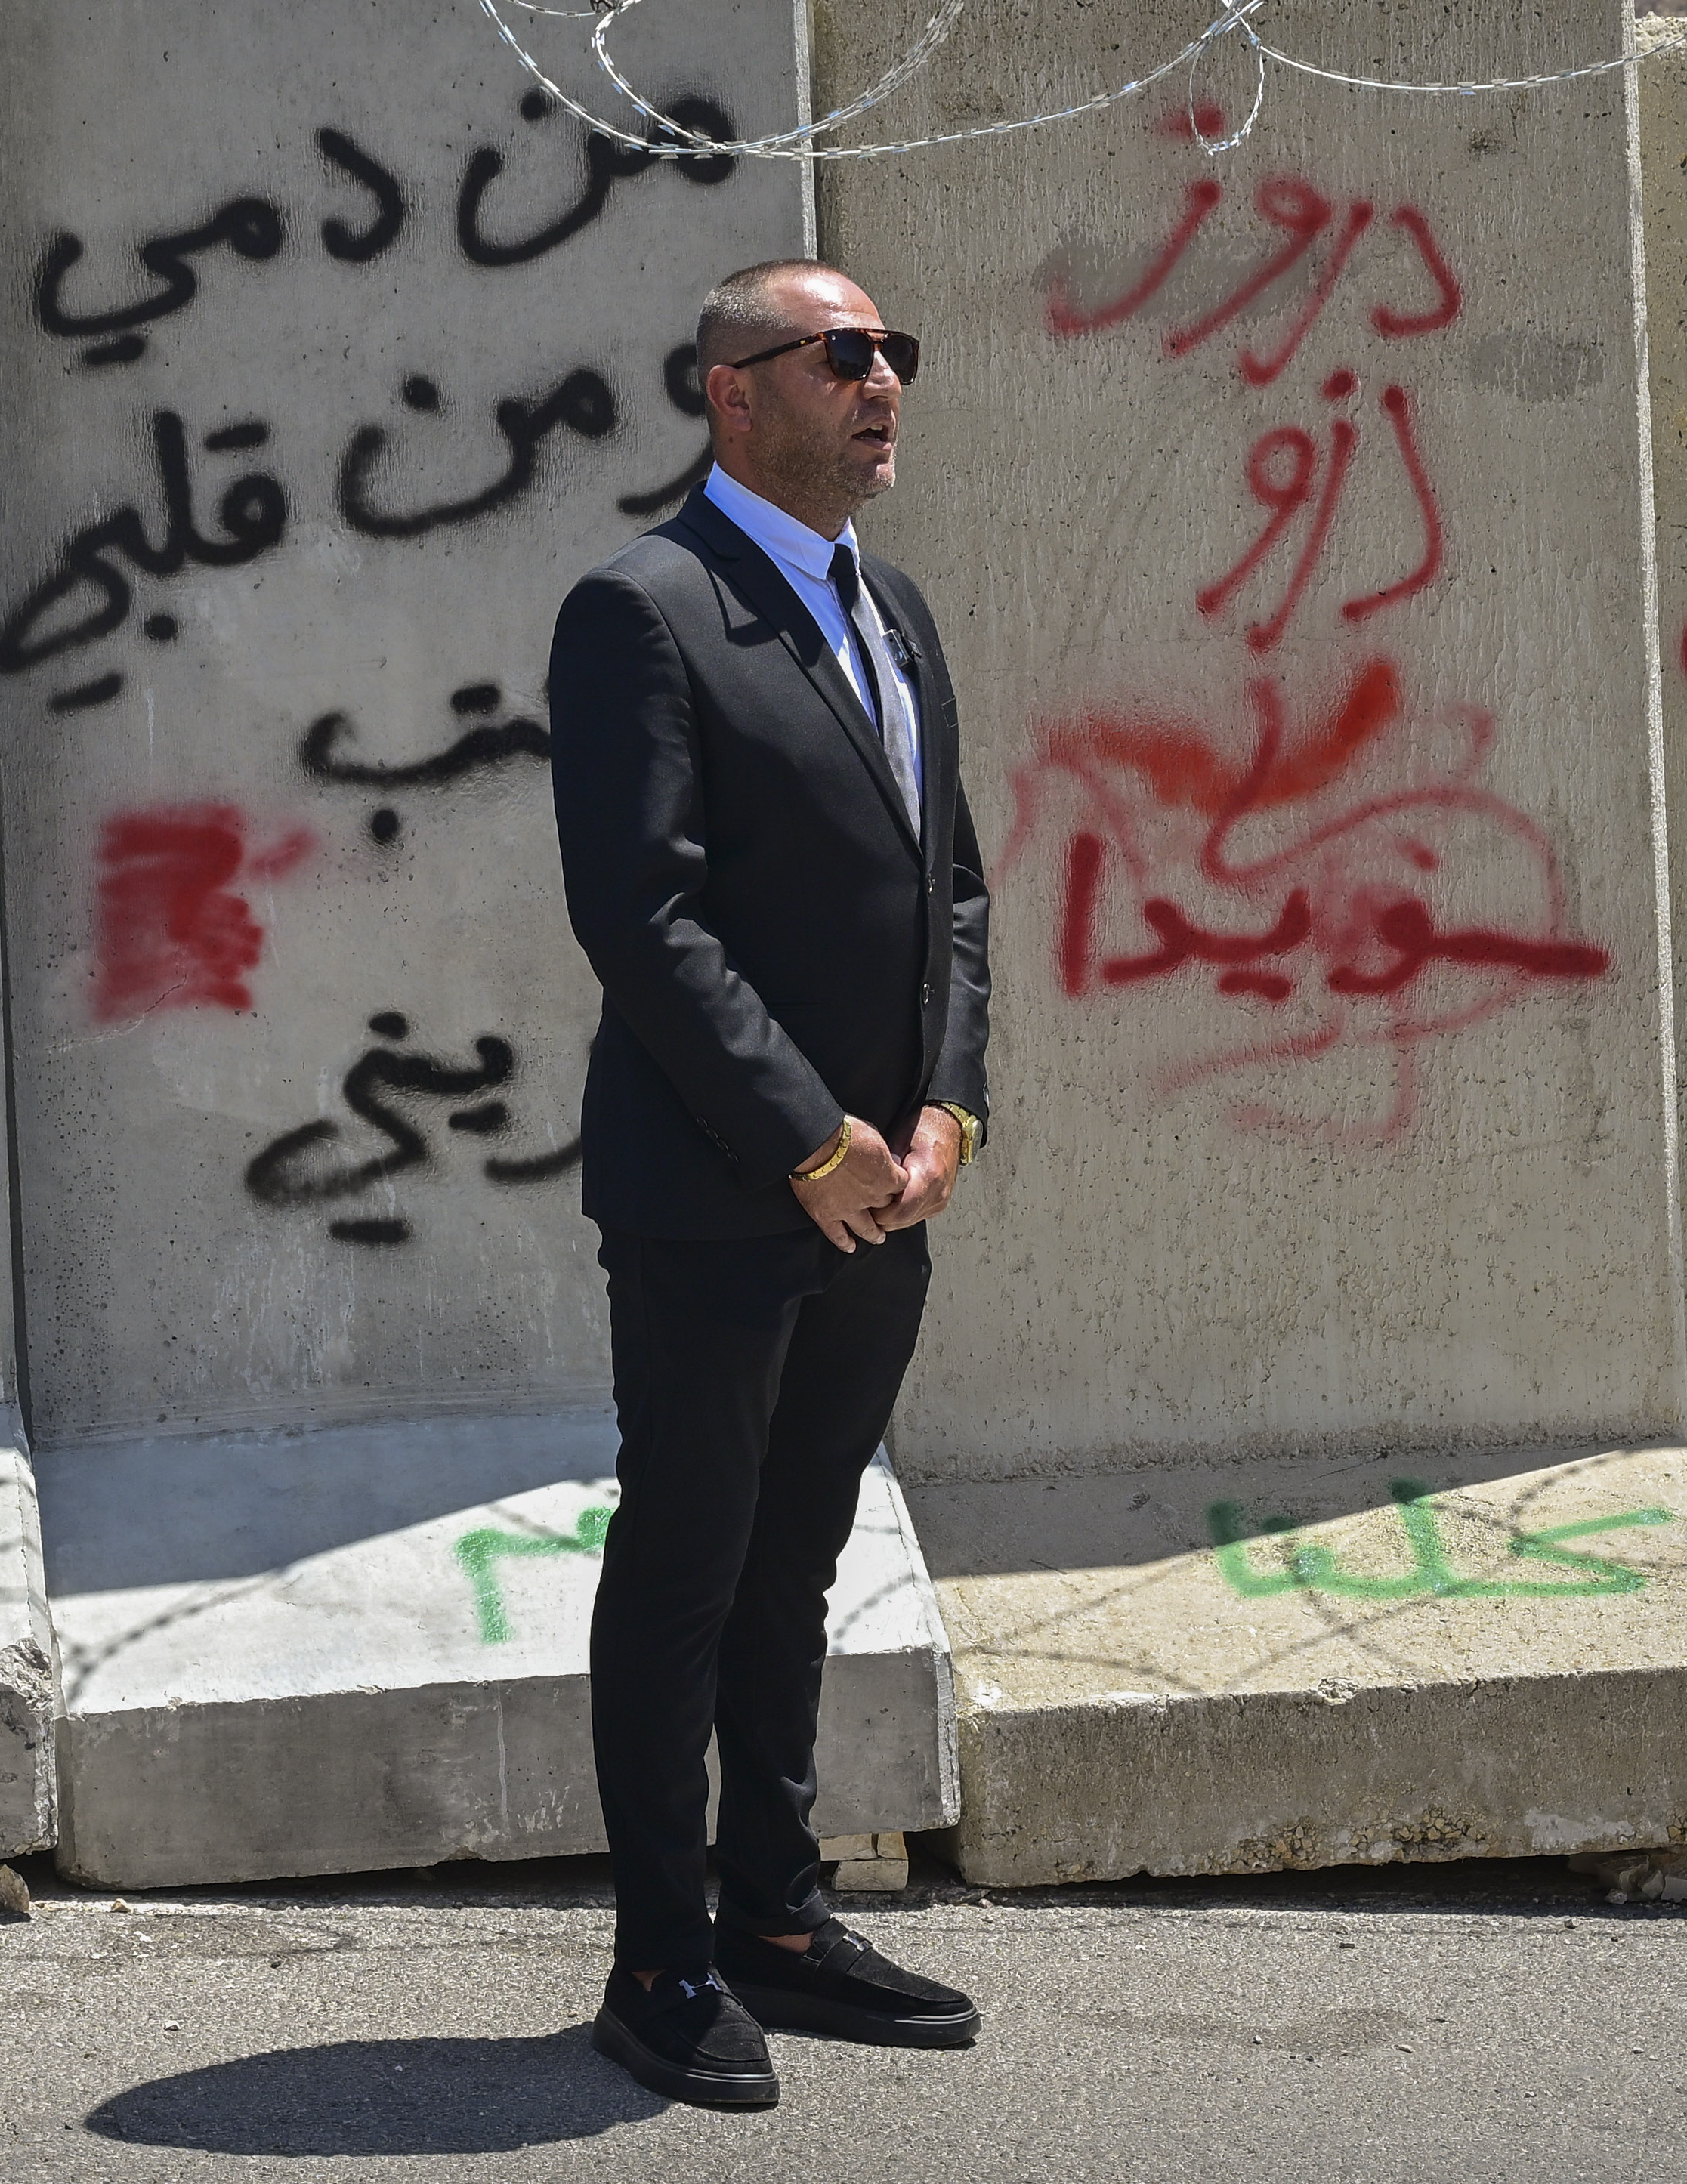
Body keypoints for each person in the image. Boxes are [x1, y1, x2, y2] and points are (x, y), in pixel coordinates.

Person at [545, 255, 990, 2111]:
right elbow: (640, 917)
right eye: (843, 356)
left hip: (886, 1191)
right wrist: (807, 1138)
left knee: (798, 1555)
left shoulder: (890, 607)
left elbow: (952, 891)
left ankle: (778, 1914)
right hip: (730, 1193)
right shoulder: (644, 610)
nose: (882, 381)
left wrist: (952, 1110)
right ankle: (661, 1962)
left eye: (896, 351)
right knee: (687, 1564)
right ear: (735, 393)